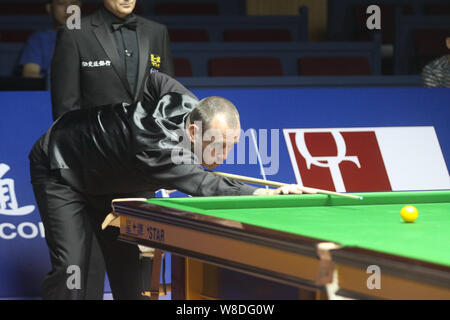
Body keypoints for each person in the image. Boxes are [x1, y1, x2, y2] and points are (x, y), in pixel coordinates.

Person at [29, 82, 306, 299]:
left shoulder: (190, 105)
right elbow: (203, 184)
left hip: (111, 176)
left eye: (231, 145)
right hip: (62, 165)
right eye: (218, 145)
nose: (223, 155)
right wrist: (259, 194)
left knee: (131, 266)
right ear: (195, 132)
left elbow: (156, 80)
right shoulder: (159, 149)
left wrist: (129, 117)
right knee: (71, 267)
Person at [49, 0, 174, 298]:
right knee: (85, 268)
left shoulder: (157, 32)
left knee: (135, 269)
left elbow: (166, 104)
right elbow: (66, 114)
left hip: (140, 172)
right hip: (90, 175)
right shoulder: (74, 33)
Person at [51, 0, 174, 120]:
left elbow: (167, 95)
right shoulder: (74, 34)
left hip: (148, 137)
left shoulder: (157, 32)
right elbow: (65, 106)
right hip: (96, 137)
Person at [18, 0, 81, 79]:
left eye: (74, 3)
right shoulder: (39, 39)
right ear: (49, 8)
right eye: (61, 3)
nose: (69, 9)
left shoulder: (92, 36)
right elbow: (30, 74)